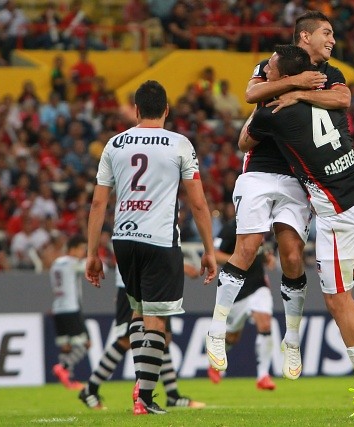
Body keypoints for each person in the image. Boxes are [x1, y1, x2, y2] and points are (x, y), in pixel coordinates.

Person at [206, 10, 354, 385]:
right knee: (247, 247)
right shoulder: (271, 64)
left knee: (294, 257)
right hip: (260, 171)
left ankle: (292, 340)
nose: (333, 40)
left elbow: (343, 97)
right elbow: (251, 99)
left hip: (301, 178)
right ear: (305, 38)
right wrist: (295, 83)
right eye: (327, 33)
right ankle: (215, 331)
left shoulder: (331, 74)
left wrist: (298, 93)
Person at [242, 44, 354, 418]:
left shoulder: (274, 113)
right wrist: (300, 89)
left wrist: (282, 92)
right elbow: (342, 97)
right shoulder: (330, 89)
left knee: (338, 298)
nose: (265, 72)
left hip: (338, 213)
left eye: (270, 69)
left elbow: (244, 139)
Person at [85, 80, 217, 416]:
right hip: (159, 240)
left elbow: (99, 202)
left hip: (123, 240)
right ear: (167, 110)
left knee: (138, 314)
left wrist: (91, 253)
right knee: (157, 320)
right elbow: (199, 204)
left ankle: (142, 392)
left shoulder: (114, 144)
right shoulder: (179, 144)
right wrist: (208, 249)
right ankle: (143, 397)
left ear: (137, 109)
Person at [79, 264, 206, 410]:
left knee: (161, 337)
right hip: (138, 281)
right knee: (130, 339)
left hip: (150, 280)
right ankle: (94, 389)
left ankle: (172, 395)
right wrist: (180, 265)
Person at [207, 203, 277, 390]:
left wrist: (267, 257)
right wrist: (238, 260)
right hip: (237, 290)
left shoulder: (260, 227)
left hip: (259, 286)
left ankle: (263, 375)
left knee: (265, 323)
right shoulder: (230, 228)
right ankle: (215, 363)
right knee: (232, 336)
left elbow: (260, 250)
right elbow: (215, 253)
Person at [50, 234, 89, 391]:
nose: (83, 253)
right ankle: (63, 366)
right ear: (73, 249)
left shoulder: (56, 263)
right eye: (82, 249)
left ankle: (67, 381)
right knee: (84, 344)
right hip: (71, 308)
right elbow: (96, 268)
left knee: (66, 346)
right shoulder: (73, 264)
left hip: (57, 308)